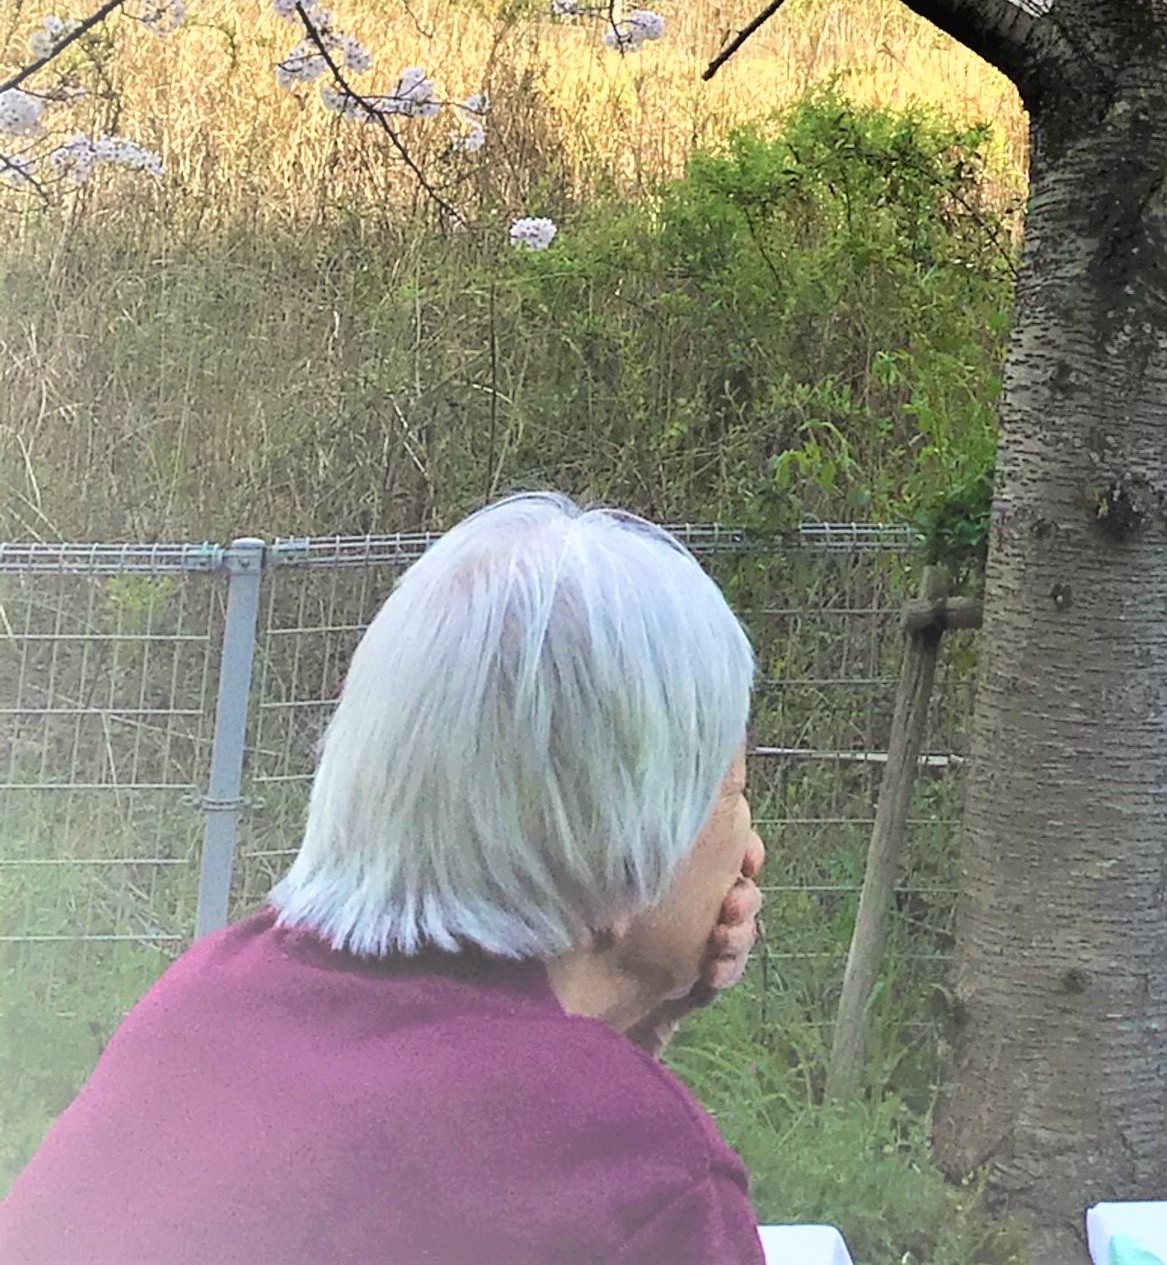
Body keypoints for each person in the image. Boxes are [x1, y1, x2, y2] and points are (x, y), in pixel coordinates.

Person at [0, 493, 769, 1265]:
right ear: (620, 836)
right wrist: (619, 1093)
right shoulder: (642, 1174)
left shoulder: (206, 1001)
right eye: (731, 790)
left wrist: (626, 1020)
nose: (749, 848)